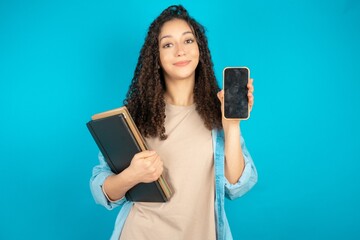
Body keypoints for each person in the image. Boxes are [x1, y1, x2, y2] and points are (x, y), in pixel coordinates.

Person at [90, 5, 257, 240]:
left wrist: (231, 124)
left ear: (200, 50)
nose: (180, 51)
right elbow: (101, 190)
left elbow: (237, 186)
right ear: (156, 58)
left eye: (188, 41)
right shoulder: (136, 115)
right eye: (168, 44)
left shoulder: (218, 111)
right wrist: (132, 175)